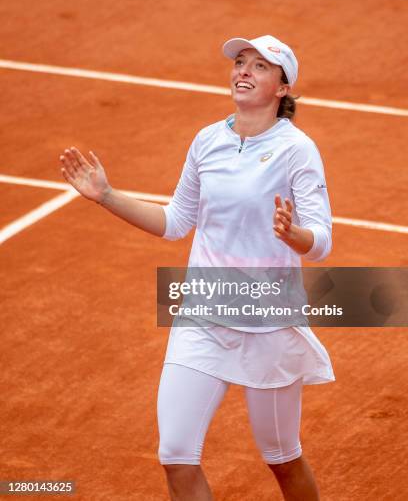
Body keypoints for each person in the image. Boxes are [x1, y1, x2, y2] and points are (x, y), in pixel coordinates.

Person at [59, 34, 334, 501]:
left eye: (260, 67)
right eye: (240, 62)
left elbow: (321, 242)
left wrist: (293, 235)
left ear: (283, 89)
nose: (243, 71)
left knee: (282, 458)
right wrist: (106, 196)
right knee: (176, 453)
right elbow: (174, 221)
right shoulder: (208, 140)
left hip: (267, 323)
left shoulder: (297, 149)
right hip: (202, 317)